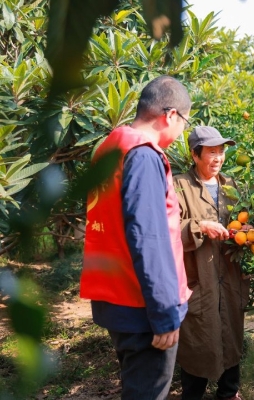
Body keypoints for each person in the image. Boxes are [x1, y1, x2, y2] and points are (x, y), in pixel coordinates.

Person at [80, 75, 192, 399]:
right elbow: (148, 237)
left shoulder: (110, 147)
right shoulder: (143, 155)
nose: (183, 130)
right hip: (142, 304)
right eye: (184, 121)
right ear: (170, 115)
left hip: (118, 296)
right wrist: (164, 314)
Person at [174, 126, 249, 400]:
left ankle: (229, 392)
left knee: (230, 333)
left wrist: (249, 232)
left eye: (221, 152)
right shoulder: (179, 185)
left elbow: (247, 219)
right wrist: (199, 226)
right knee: (198, 339)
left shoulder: (232, 185)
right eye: (211, 152)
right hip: (199, 277)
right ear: (195, 154)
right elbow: (168, 227)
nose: (218, 158)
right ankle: (192, 395)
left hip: (229, 276)